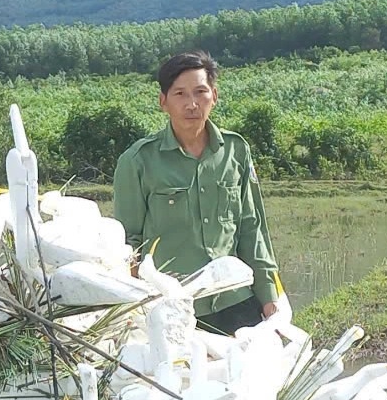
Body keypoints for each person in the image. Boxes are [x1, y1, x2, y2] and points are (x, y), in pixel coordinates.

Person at [113, 50, 283, 335]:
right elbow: (129, 244)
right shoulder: (138, 161)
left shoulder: (235, 150)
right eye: (179, 93)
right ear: (163, 102)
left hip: (238, 302)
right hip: (175, 310)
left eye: (200, 92)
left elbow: (252, 228)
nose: (191, 104)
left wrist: (269, 298)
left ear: (214, 97)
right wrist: (136, 310)